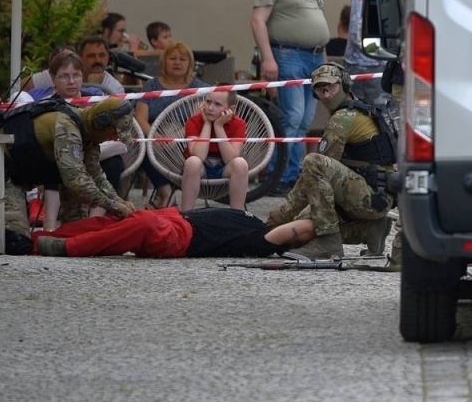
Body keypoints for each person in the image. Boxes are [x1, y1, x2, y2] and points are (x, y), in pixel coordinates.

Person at [263, 63, 396, 259]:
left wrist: (282, 214)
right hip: (376, 195)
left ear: (343, 85)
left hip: (369, 196)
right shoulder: (359, 108)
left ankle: (328, 244)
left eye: (330, 87)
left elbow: (316, 170)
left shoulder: (342, 118)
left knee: (313, 162)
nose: (325, 94)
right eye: (319, 89)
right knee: (304, 222)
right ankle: (371, 229)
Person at [0, 94, 139, 250]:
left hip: (26, 172)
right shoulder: (67, 129)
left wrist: (119, 201)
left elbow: (96, 176)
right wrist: (113, 206)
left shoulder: (89, 133)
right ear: (101, 122)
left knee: (77, 230)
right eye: (113, 133)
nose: (113, 138)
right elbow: (77, 182)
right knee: (16, 243)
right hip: (3, 174)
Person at [250, 0, 329, 191]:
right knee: (292, 116)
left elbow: (318, 23)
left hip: (315, 55)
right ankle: (279, 176)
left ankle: (292, 175)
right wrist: (267, 58)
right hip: (288, 54)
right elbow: (258, 20)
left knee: (305, 120)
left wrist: (325, 63)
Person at [32, 205, 313, 259]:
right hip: (174, 216)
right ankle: (32, 242)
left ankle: (68, 249)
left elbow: (302, 228)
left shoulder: (262, 242)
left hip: (180, 238)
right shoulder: (255, 219)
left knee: (144, 224)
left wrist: (320, 223)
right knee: (113, 222)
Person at [134, 40, 203, 206]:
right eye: (173, 58)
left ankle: (164, 198)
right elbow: (140, 118)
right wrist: (154, 137)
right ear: (165, 61)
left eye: (182, 59)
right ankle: (166, 193)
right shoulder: (151, 85)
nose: (177, 62)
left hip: (185, 139)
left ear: (190, 64)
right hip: (153, 138)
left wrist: (175, 138)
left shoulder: (200, 88)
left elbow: (200, 117)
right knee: (140, 145)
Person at [179, 88, 249, 211]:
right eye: (208, 101)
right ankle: (186, 214)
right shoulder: (194, 121)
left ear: (231, 109)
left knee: (240, 163)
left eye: (217, 104)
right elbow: (199, 155)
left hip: (224, 169)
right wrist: (207, 124)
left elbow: (230, 158)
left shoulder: (238, 124)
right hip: (199, 169)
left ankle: (237, 215)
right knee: (193, 161)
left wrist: (218, 126)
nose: (210, 108)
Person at [25, 36, 125, 98]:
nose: (71, 81)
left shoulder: (103, 91)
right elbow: (16, 88)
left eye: (77, 75)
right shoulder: (37, 93)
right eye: (64, 76)